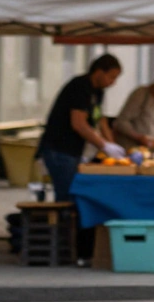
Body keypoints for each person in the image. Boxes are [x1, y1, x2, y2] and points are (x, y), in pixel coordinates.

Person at [38, 53, 126, 263]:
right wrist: (104, 145)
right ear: (98, 71)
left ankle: (71, 249)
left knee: (73, 197)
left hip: (73, 153)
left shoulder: (98, 92)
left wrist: (113, 146)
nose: (113, 83)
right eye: (111, 77)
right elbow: (78, 123)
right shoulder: (80, 87)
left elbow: (100, 119)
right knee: (68, 198)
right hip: (59, 150)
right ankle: (63, 250)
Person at [112, 66, 154, 150]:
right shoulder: (141, 95)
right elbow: (121, 122)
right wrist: (139, 137)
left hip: (149, 150)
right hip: (130, 148)